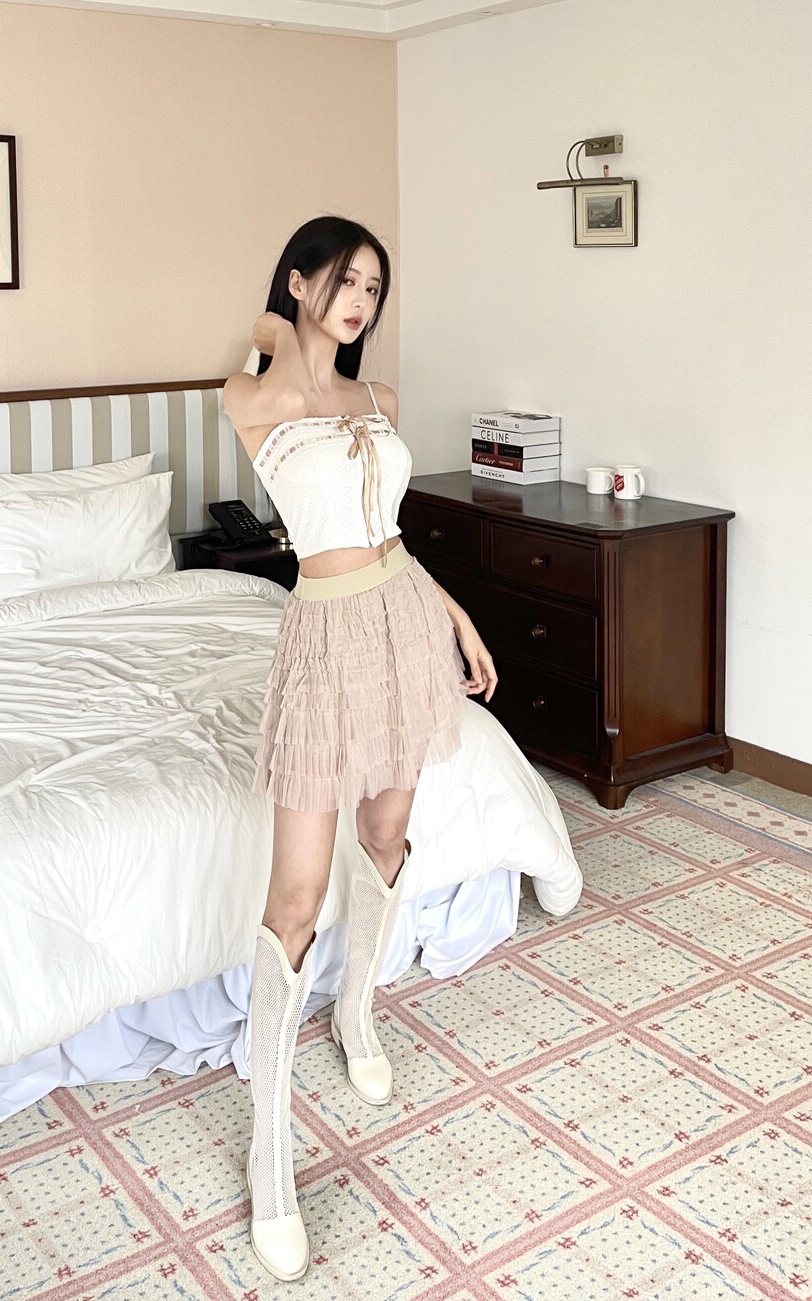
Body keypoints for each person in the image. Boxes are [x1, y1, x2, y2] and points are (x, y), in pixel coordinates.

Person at [223, 216, 498, 1282]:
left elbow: (389, 538)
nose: (361, 302)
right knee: (295, 896)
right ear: (299, 281)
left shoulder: (379, 399)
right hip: (322, 637)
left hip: (401, 623)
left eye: (374, 288)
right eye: (345, 280)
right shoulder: (253, 397)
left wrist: (456, 619)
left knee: (387, 834)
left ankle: (358, 1012)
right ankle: (270, 1149)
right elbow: (265, 352)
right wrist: (284, 320)